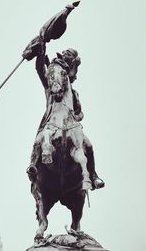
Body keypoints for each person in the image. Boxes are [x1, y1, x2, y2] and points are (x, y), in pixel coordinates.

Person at [26, 44, 105, 190]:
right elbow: (40, 70)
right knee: (40, 139)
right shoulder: (50, 84)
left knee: (89, 145)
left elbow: (80, 114)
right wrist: (40, 52)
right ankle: (33, 165)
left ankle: (93, 175)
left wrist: (75, 115)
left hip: (71, 124)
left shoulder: (74, 94)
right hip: (52, 119)